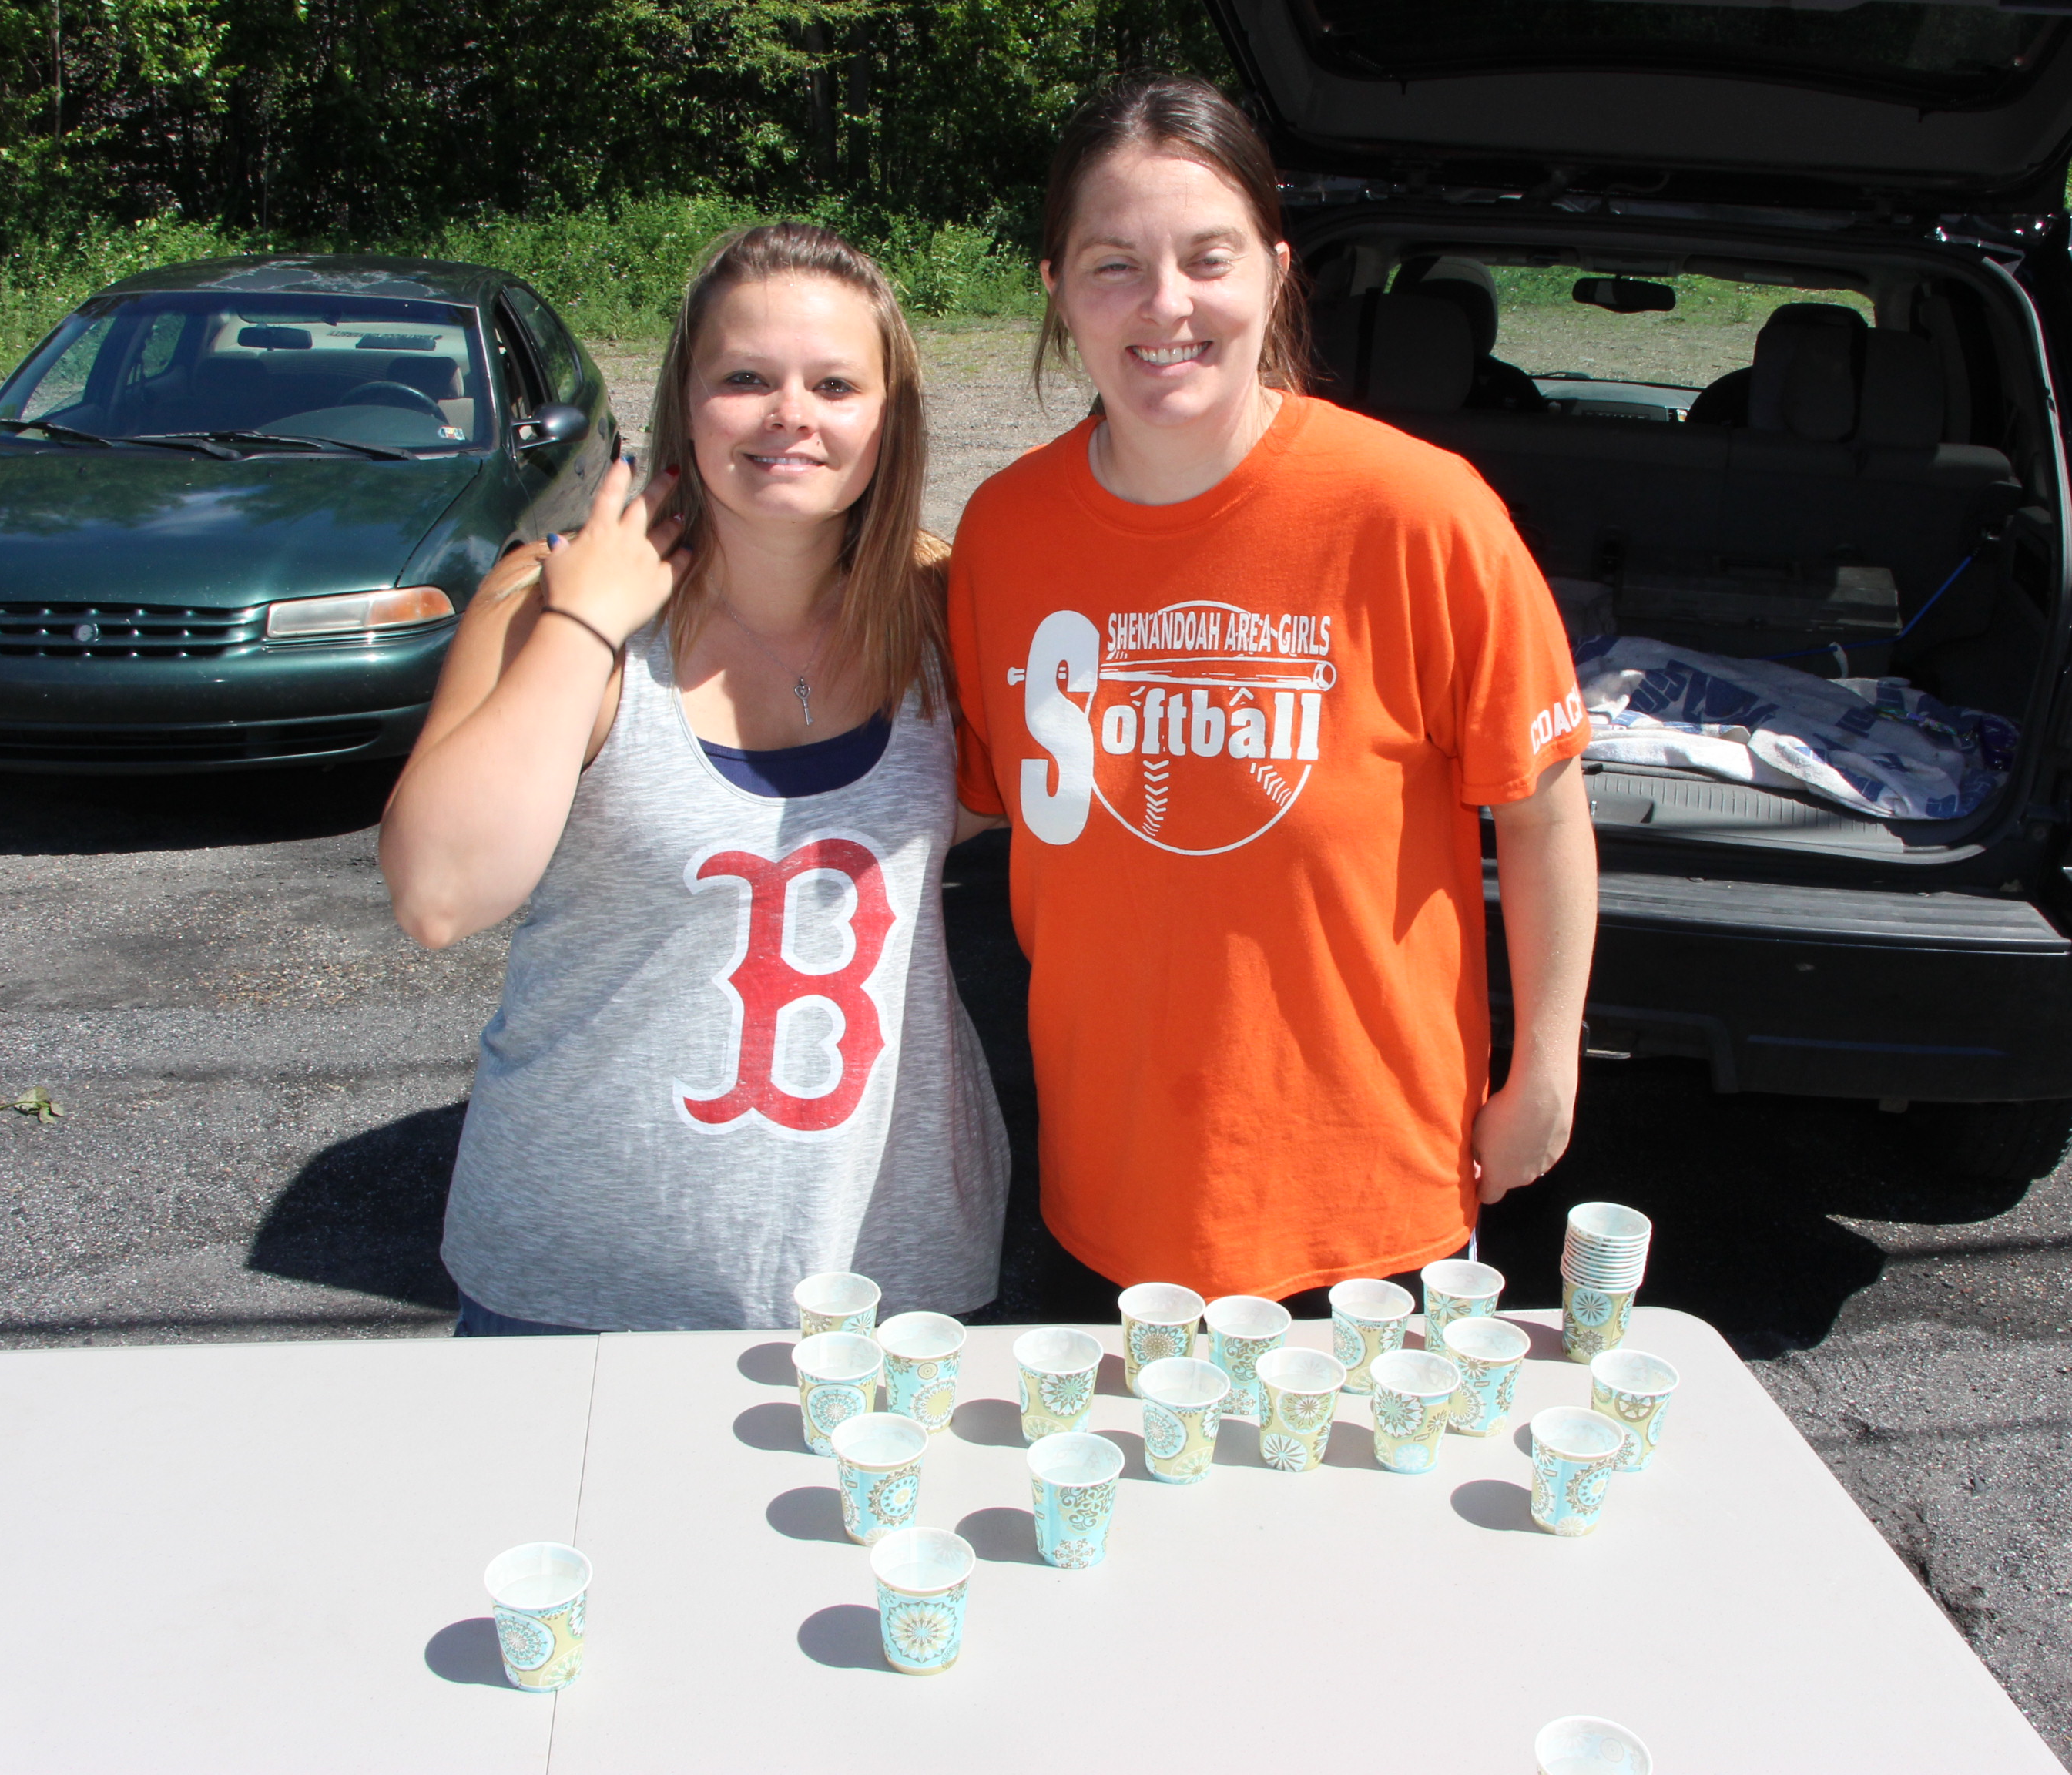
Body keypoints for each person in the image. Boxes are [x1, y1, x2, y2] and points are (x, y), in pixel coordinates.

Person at [945, 75, 1598, 1309]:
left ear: (1276, 273)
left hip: (1366, 1206)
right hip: (1109, 1195)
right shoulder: (1004, 531)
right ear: (1056, 289)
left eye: (1209, 258)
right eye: (1114, 265)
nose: (1166, 305)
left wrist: (1547, 1069)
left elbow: (1544, 807)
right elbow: (979, 802)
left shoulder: (1418, 512)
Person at [381, 222, 1008, 1334]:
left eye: (835, 385)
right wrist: (587, 621)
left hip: (889, 1270)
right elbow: (438, 896)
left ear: (891, 415)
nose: (790, 415)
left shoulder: (938, 607)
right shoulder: (549, 600)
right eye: (745, 379)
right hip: (580, 1282)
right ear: (685, 399)